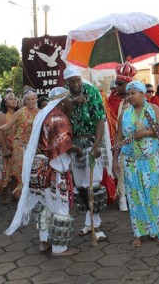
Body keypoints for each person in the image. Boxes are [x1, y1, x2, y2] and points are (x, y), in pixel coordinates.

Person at [5, 87, 81, 257]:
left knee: (45, 204)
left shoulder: (43, 114)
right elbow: (62, 146)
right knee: (60, 207)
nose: (71, 101)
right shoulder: (59, 118)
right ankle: (60, 248)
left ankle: (44, 241)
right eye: (68, 98)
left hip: (38, 168)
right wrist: (76, 150)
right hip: (53, 169)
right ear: (61, 101)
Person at [112, 81, 159, 248]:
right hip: (130, 161)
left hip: (150, 161)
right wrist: (115, 161)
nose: (129, 96)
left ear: (143, 93)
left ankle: (157, 231)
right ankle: (139, 233)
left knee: (152, 194)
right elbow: (119, 137)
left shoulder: (153, 110)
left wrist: (146, 132)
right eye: (128, 94)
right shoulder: (125, 114)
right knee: (134, 197)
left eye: (133, 93)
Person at [63, 65, 107, 241]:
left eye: (78, 80)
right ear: (67, 82)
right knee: (81, 186)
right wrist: (73, 102)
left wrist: (96, 145)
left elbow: (100, 120)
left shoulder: (92, 91)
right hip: (75, 146)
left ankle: (97, 225)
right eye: (72, 82)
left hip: (91, 142)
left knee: (93, 185)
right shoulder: (64, 95)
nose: (76, 84)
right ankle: (88, 224)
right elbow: (63, 114)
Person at [0, 87, 39, 198]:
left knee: (33, 170)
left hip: (32, 146)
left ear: (36, 99)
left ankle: (31, 193)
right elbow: (8, 125)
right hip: (19, 145)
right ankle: (21, 194)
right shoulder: (20, 112)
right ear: (24, 101)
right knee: (20, 171)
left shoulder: (39, 112)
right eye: (28, 99)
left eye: (32, 99)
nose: (30, 101)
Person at [107, 62, 137, 211]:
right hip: (125, 145)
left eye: (119, 83)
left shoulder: (145, 105)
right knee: (123, 172)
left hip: (142, 147)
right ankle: (123, 198)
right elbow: (119, 131)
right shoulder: (121, 104)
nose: (116, 87)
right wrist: (115, 156)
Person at [0, 92, 18, 203]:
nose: (14, 100)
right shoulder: (0, 115)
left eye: (15, 98)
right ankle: (4, 196)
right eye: (10, 99)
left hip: (16, 147)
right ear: (5, 102)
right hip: (4, 147)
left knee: (15, 172)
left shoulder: (18, 113)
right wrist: (4, 149)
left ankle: (14, 193)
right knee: (5, 171)